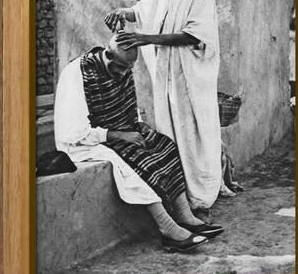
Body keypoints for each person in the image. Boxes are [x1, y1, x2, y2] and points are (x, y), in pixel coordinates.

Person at [54, 36, 224, 253]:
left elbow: (129, 106)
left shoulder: (122, 66)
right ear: (107, 55)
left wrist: (138, 127)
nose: (125, 73)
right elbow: (73, 131)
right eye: (121, 68)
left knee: (165, 146)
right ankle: (168, 230)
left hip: (121, 129)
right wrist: (117, 135)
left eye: (128, 69)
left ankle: (184, 216)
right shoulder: (76, 73)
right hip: (88, 140)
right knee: (138, 160)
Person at [105, 0, 221, 211]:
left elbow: (194, 35)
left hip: (189, 74)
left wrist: (146, 38)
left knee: (194, 130)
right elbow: (143, 10)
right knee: (169, 129)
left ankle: (202, 192)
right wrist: (123, 12)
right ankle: (179, 192)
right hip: (166, 75)